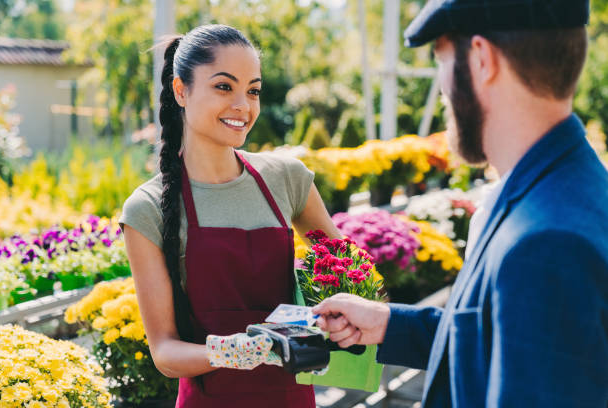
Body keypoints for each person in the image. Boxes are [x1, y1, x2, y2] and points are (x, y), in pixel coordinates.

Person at [313, 1, 608, 407]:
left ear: (483, 60)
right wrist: (390, 323)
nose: (443, 95)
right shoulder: (557, 191)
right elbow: (501, 340)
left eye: (442, 61)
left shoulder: (546, 244)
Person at [119, 24, 340, 407]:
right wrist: (226, 352)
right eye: (225, 87)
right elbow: (166, 353)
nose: (244, 106)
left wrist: (328, 309)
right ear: (181, 91)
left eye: (253, 90)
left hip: (291, 398)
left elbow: (346, 272)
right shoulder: (147, 207)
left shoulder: (287, 178)